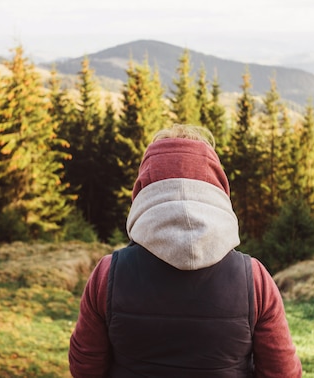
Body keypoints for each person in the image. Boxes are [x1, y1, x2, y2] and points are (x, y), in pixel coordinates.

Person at [69, 124, 302, 377]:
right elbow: (283, 373)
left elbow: (85, 369)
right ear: (216, 185)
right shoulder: (254, 279)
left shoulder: (107, 275)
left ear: (143, 187)